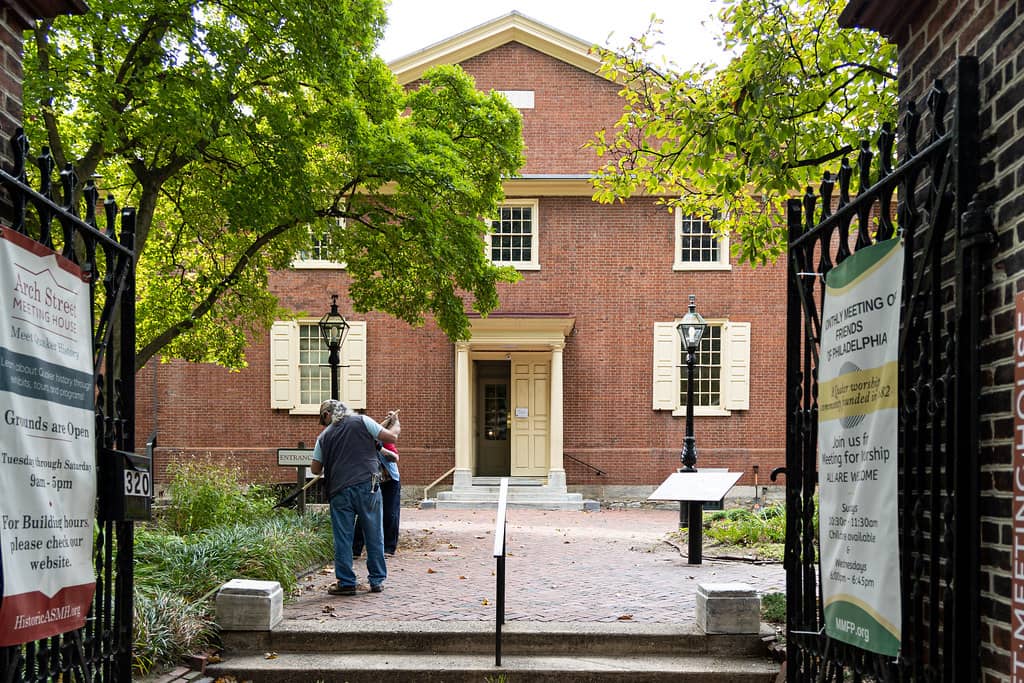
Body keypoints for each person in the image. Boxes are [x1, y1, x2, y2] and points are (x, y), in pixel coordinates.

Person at [311, 399, 400, 595]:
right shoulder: (362, 421)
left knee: (343, 537)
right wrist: (395, 423)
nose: (324, 424)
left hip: (339, 490)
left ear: (327, 415)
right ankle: (376, 580)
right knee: (374, 533)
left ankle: (346, 583)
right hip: (367, 485)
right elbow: (391, 438)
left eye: (323, 420)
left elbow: (315, 469)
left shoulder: (324, 437)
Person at [353, 429, 401, 558]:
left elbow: (395, 457)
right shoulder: (358, 443)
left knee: (390, 513)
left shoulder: (383, 440)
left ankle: (388, 548)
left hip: (389, 479)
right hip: (369, 480)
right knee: (364, 512)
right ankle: (355, 549)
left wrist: (380, 448)